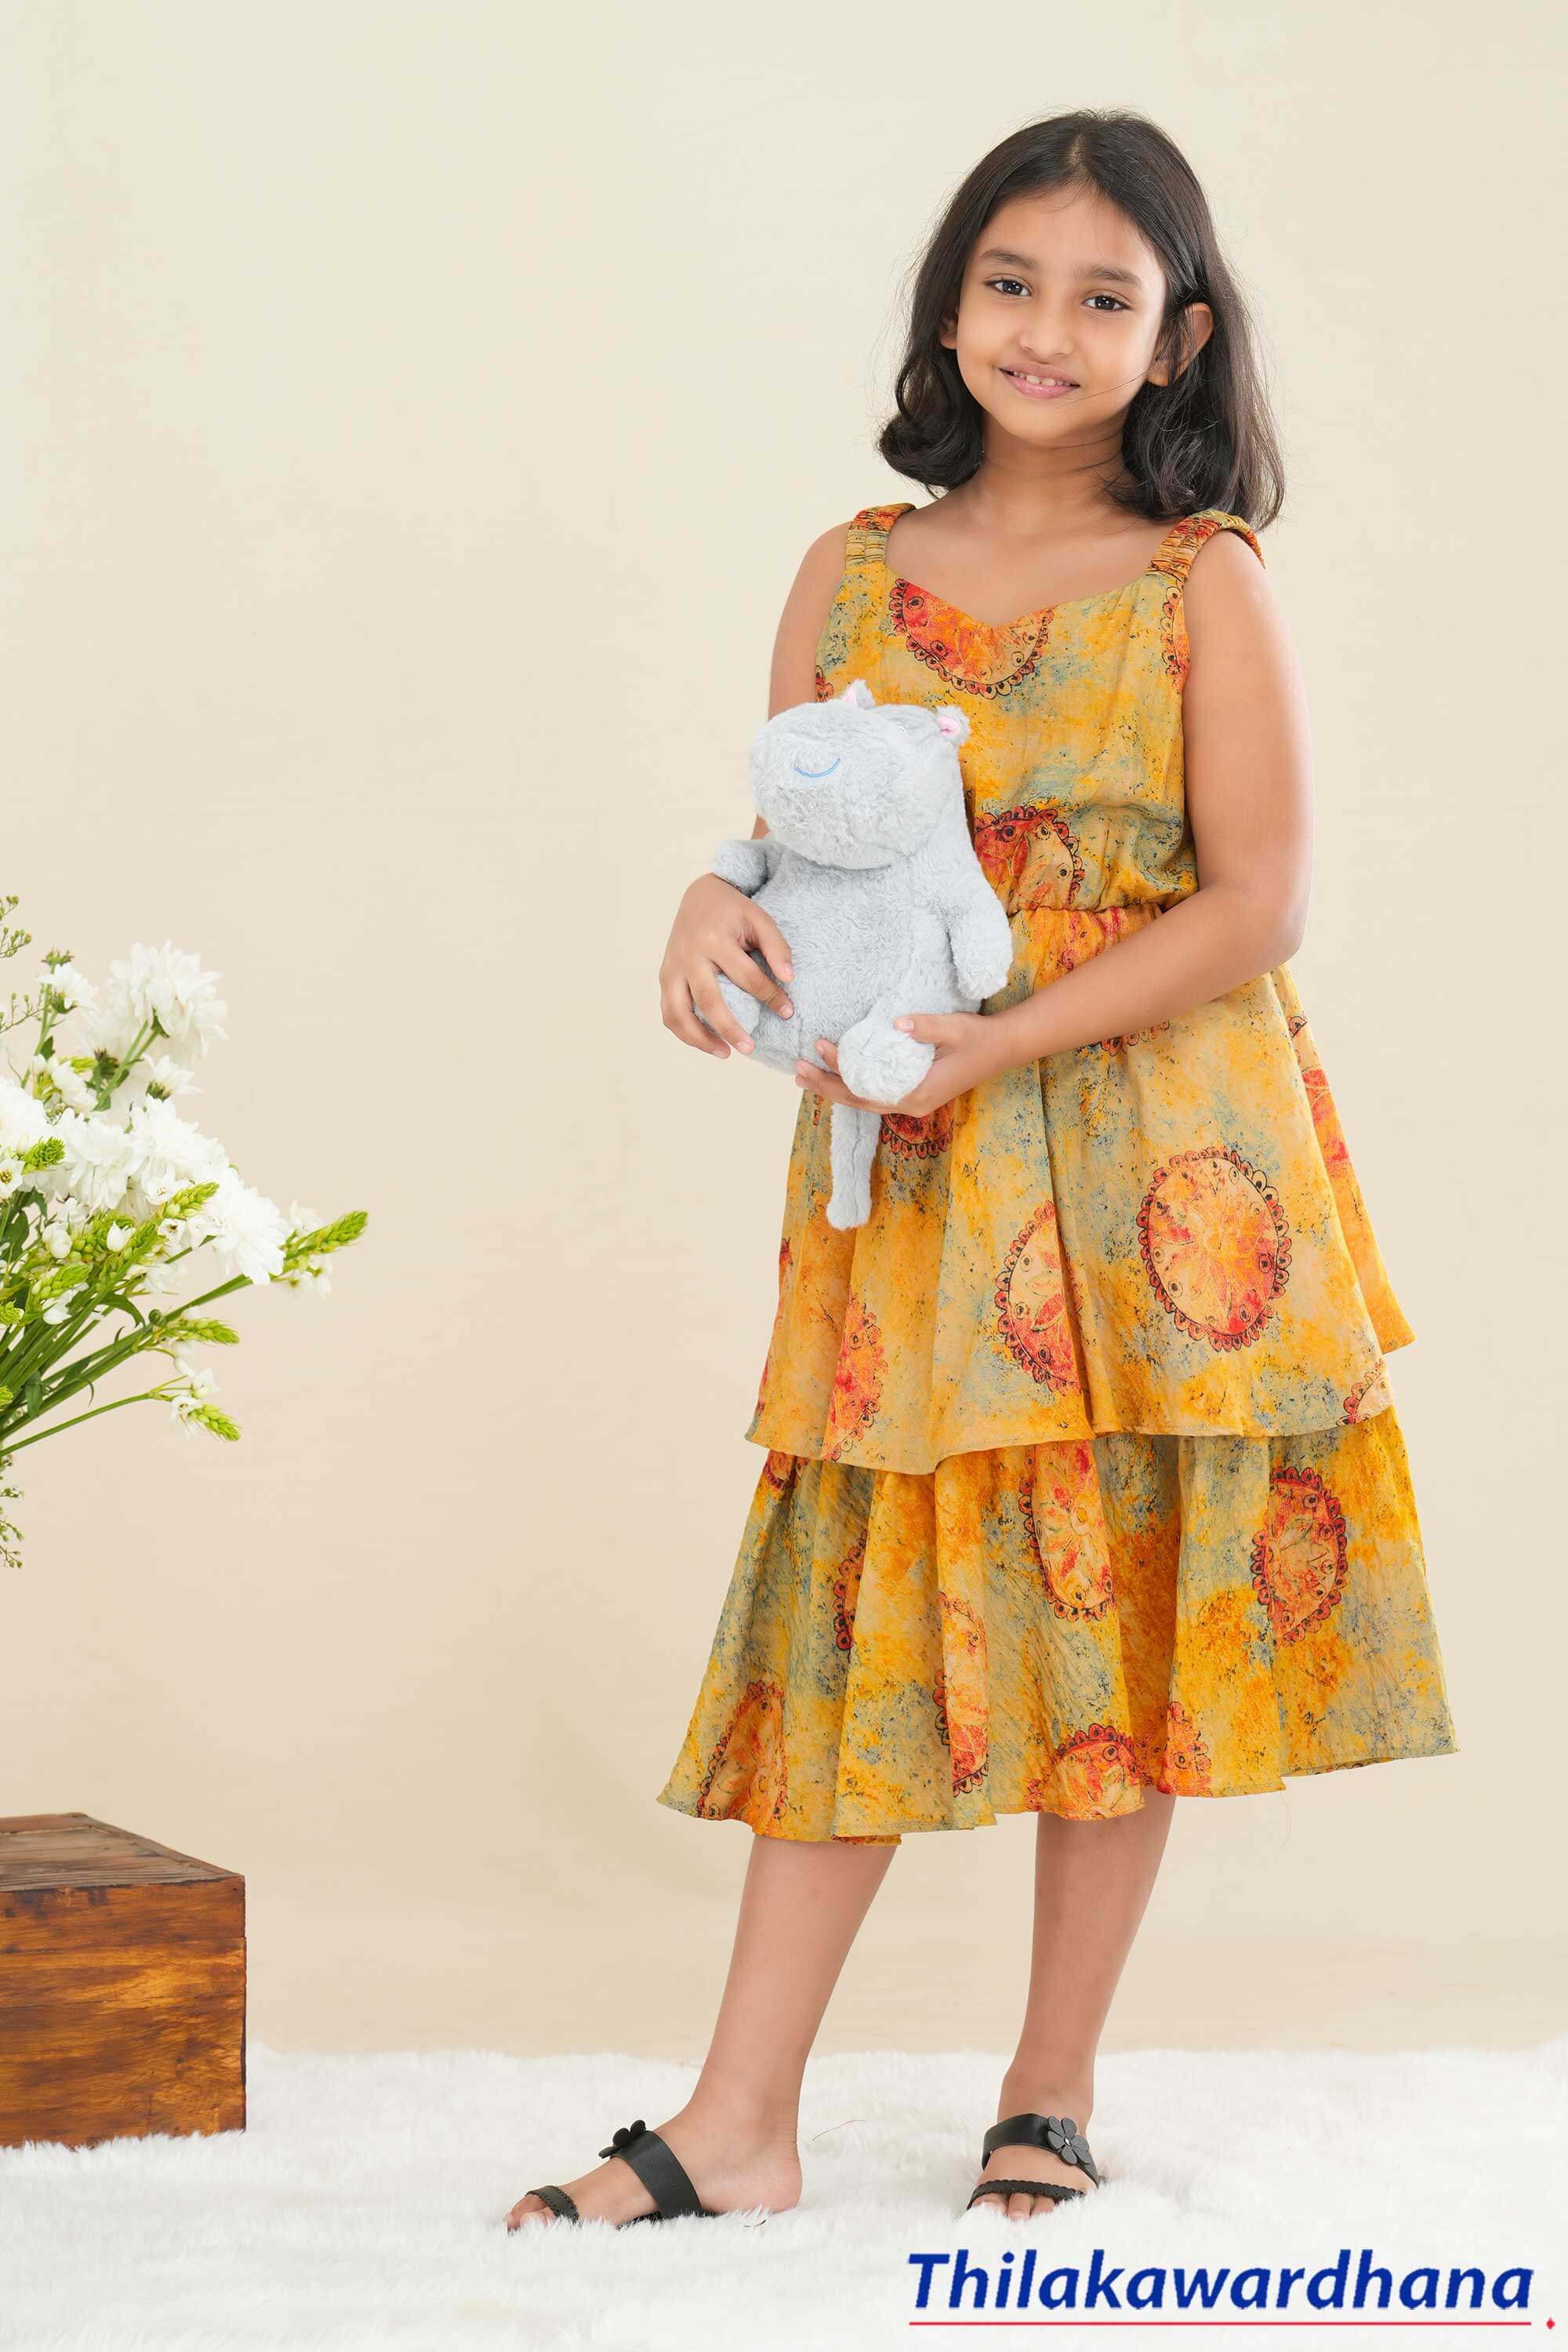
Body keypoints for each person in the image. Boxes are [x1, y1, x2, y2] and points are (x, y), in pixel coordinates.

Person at [507, 105, 1457, 2234]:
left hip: (1158, 1170)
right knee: (859, 1591)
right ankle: (740, 2120)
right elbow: (800, 838)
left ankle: (1051, 2088)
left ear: (1177, 337)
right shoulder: (849, 573)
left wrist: (1010, 1036)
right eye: (1009, 283)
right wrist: (710, 896)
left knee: (1120, 1603)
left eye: (1102, 296)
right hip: (919, 1179)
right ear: (950, 307)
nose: (1045, 328)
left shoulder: (1205, 583)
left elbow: (1262, 902)